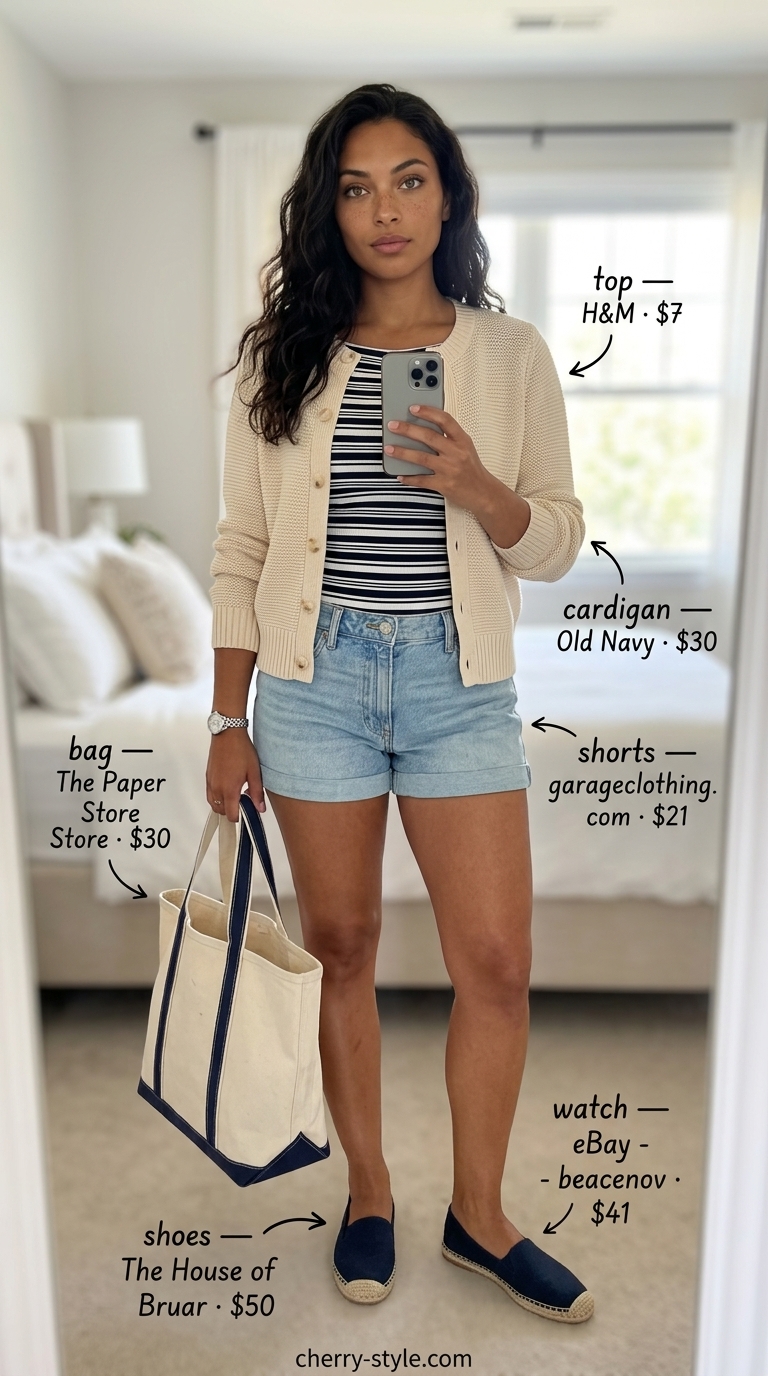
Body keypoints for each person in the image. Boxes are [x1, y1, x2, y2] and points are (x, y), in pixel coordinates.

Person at [207, 83, 592, 1323]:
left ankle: (480, 1216)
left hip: (455, 676)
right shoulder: (284, 357)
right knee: (345, 949)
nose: (385, 209)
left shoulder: (511, 353)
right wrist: (227, 719)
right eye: (357, 185)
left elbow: (558, 543)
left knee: (496, 959)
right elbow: (242, 545)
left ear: (447, 192)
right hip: (312, 680)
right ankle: (369, 1190)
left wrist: (480, 486)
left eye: (409, 179)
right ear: (329, 204)